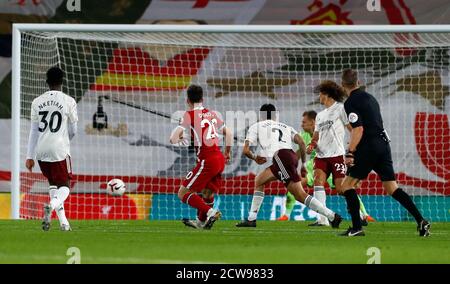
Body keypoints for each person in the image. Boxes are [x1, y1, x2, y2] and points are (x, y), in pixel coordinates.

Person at [339, 68, 431, 237]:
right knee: (392, 188)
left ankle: (357, 228)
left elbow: (358, 129)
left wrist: (350, 152)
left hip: (368, 147)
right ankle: (421, 220)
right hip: (383, 144)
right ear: (358, 82)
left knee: (346, 185)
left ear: (343, 85)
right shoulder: (371, 98)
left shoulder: (350, 102)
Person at [235, 104, 342, 228]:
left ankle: (332, 216)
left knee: (299, 194)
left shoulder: (256, 126)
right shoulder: (285, 126)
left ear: (261, 115)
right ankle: (251, 219)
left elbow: (246, 151)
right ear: (275, 115)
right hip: (288, 157)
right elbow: (301, 142)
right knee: (259, 180)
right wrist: (302, 164)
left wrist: (255, 157)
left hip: (281, 158)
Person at [277, 110, 374, 225]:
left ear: (313, 122)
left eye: (304, 122)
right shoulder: (303, 136)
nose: (301, 125)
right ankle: (289, 215)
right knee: (296, 185)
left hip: (331, 162)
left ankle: (362, 214)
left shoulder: (326, 130)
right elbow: (299, 152)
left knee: (343, 189)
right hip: (314, 167)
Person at [169, 84, 232, 229]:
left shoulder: (188, 115)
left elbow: (172, 139)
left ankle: (210, 212)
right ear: (202, 99)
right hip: (219, 158)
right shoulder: (212, 114)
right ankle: (200, 222)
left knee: (183, 192)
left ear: (187, 100)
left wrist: (180, 138)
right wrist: (227, 153)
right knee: (207, 192)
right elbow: (228, 133)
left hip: (207, 160)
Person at [25, 67, 78, 231]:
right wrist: (64, 138)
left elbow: (34, 131)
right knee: (65, 186)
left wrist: (29, 156)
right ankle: (51, 205)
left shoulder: (37, 102)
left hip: (41, 151)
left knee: (53, 184)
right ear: (62, 82)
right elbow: (74, 130)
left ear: (47, 82)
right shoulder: (69, 101)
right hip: (59, 150)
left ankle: (64, 223)